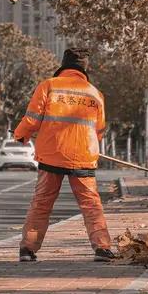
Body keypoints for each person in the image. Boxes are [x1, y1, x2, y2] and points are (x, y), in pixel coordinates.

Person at [13, 47, 115, 263]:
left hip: (53, 154)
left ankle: (28, 250)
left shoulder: (49, 86)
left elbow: (32, 118)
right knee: (91, 205)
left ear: (64, 65)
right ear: (85, 69)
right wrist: (92, 148)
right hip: (84, 157)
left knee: (42, 203)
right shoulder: (95, 93)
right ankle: (102, 248)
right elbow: (99, 130)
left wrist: (20, 135)